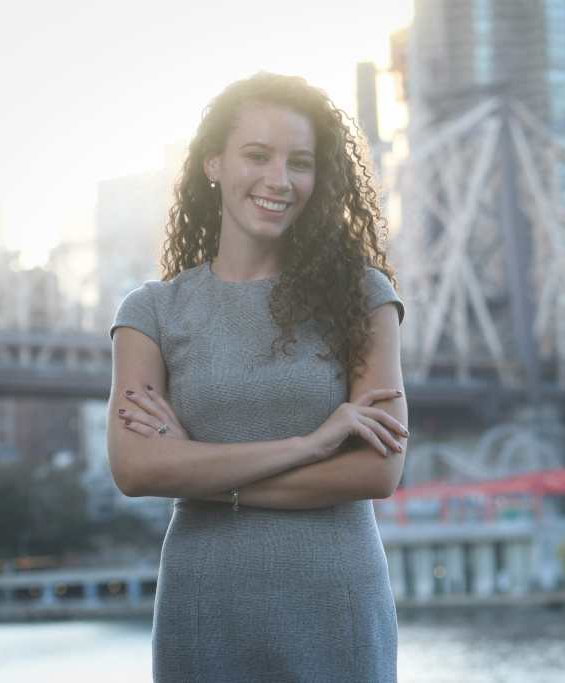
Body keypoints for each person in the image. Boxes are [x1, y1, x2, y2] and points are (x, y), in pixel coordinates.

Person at [106, 72, 408, 682]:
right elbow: (136, 469)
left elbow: (377, 470)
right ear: (213, 163)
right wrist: (311, 445)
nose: (279, 179)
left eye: (299, 162)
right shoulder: (152, 313)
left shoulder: (361, 295)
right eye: (256, 155)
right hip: (205, 610)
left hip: (335, 605)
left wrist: (195, 469)